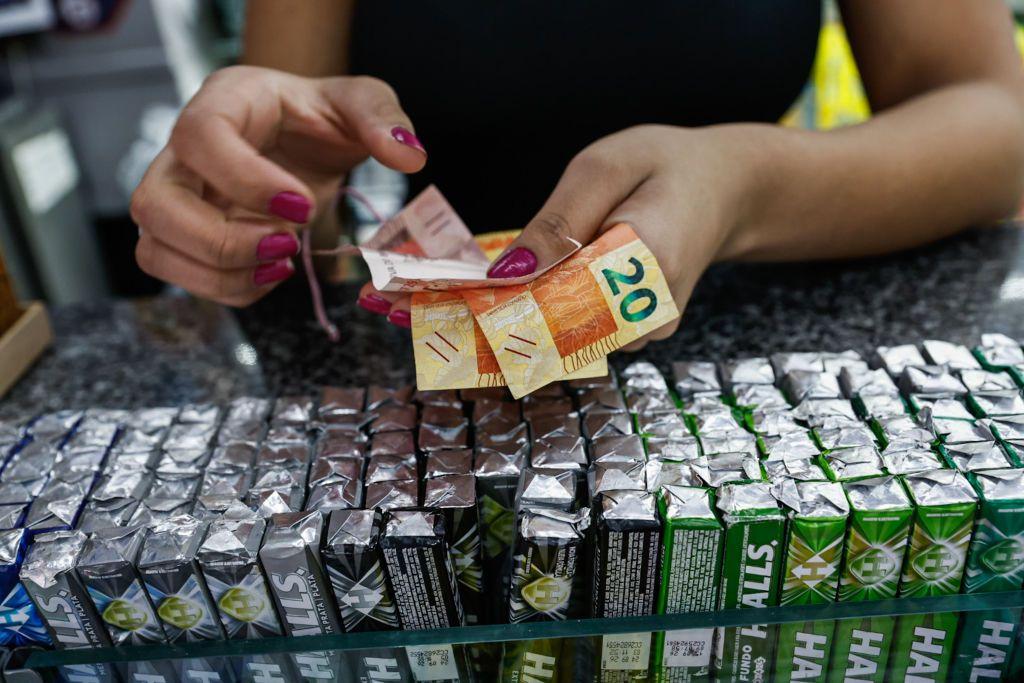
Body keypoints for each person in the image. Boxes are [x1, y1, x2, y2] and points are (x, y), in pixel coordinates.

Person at [131, 1, 1024, 350]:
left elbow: (998, 122)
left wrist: (742, 184)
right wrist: (272, 193)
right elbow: (304, 220)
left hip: (776, 349)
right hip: (449, 385)